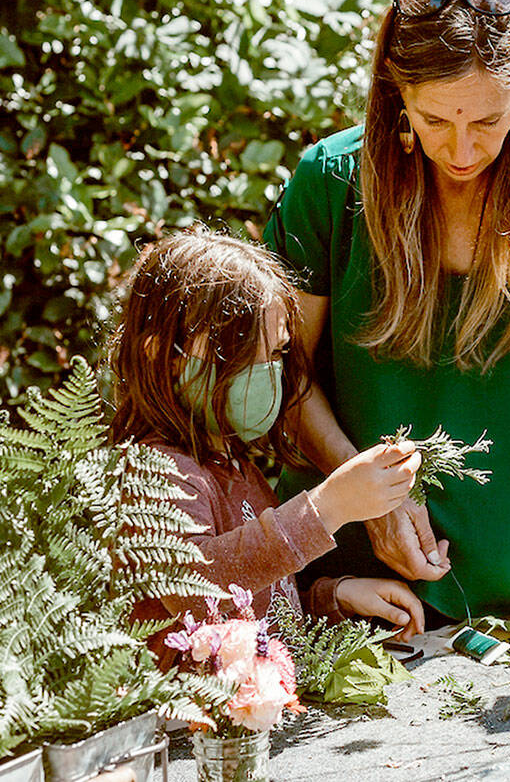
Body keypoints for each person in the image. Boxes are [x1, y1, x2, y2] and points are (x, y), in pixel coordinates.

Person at [263, 0, 510, 624]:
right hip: (343, 585)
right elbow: (283, 370)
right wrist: (366, 495)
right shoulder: (329, 184)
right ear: (396, 96)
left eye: (489, 121)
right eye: (435, 120)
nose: (461, 149)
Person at [108, 228, 426, 648]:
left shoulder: (237, 466)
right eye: (239, 353)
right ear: (164, 356)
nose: (265, 372)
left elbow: (255, 602)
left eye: (275, 353)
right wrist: (327, 507)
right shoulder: (151, 472)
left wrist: (334, 597)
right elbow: (197, 590)